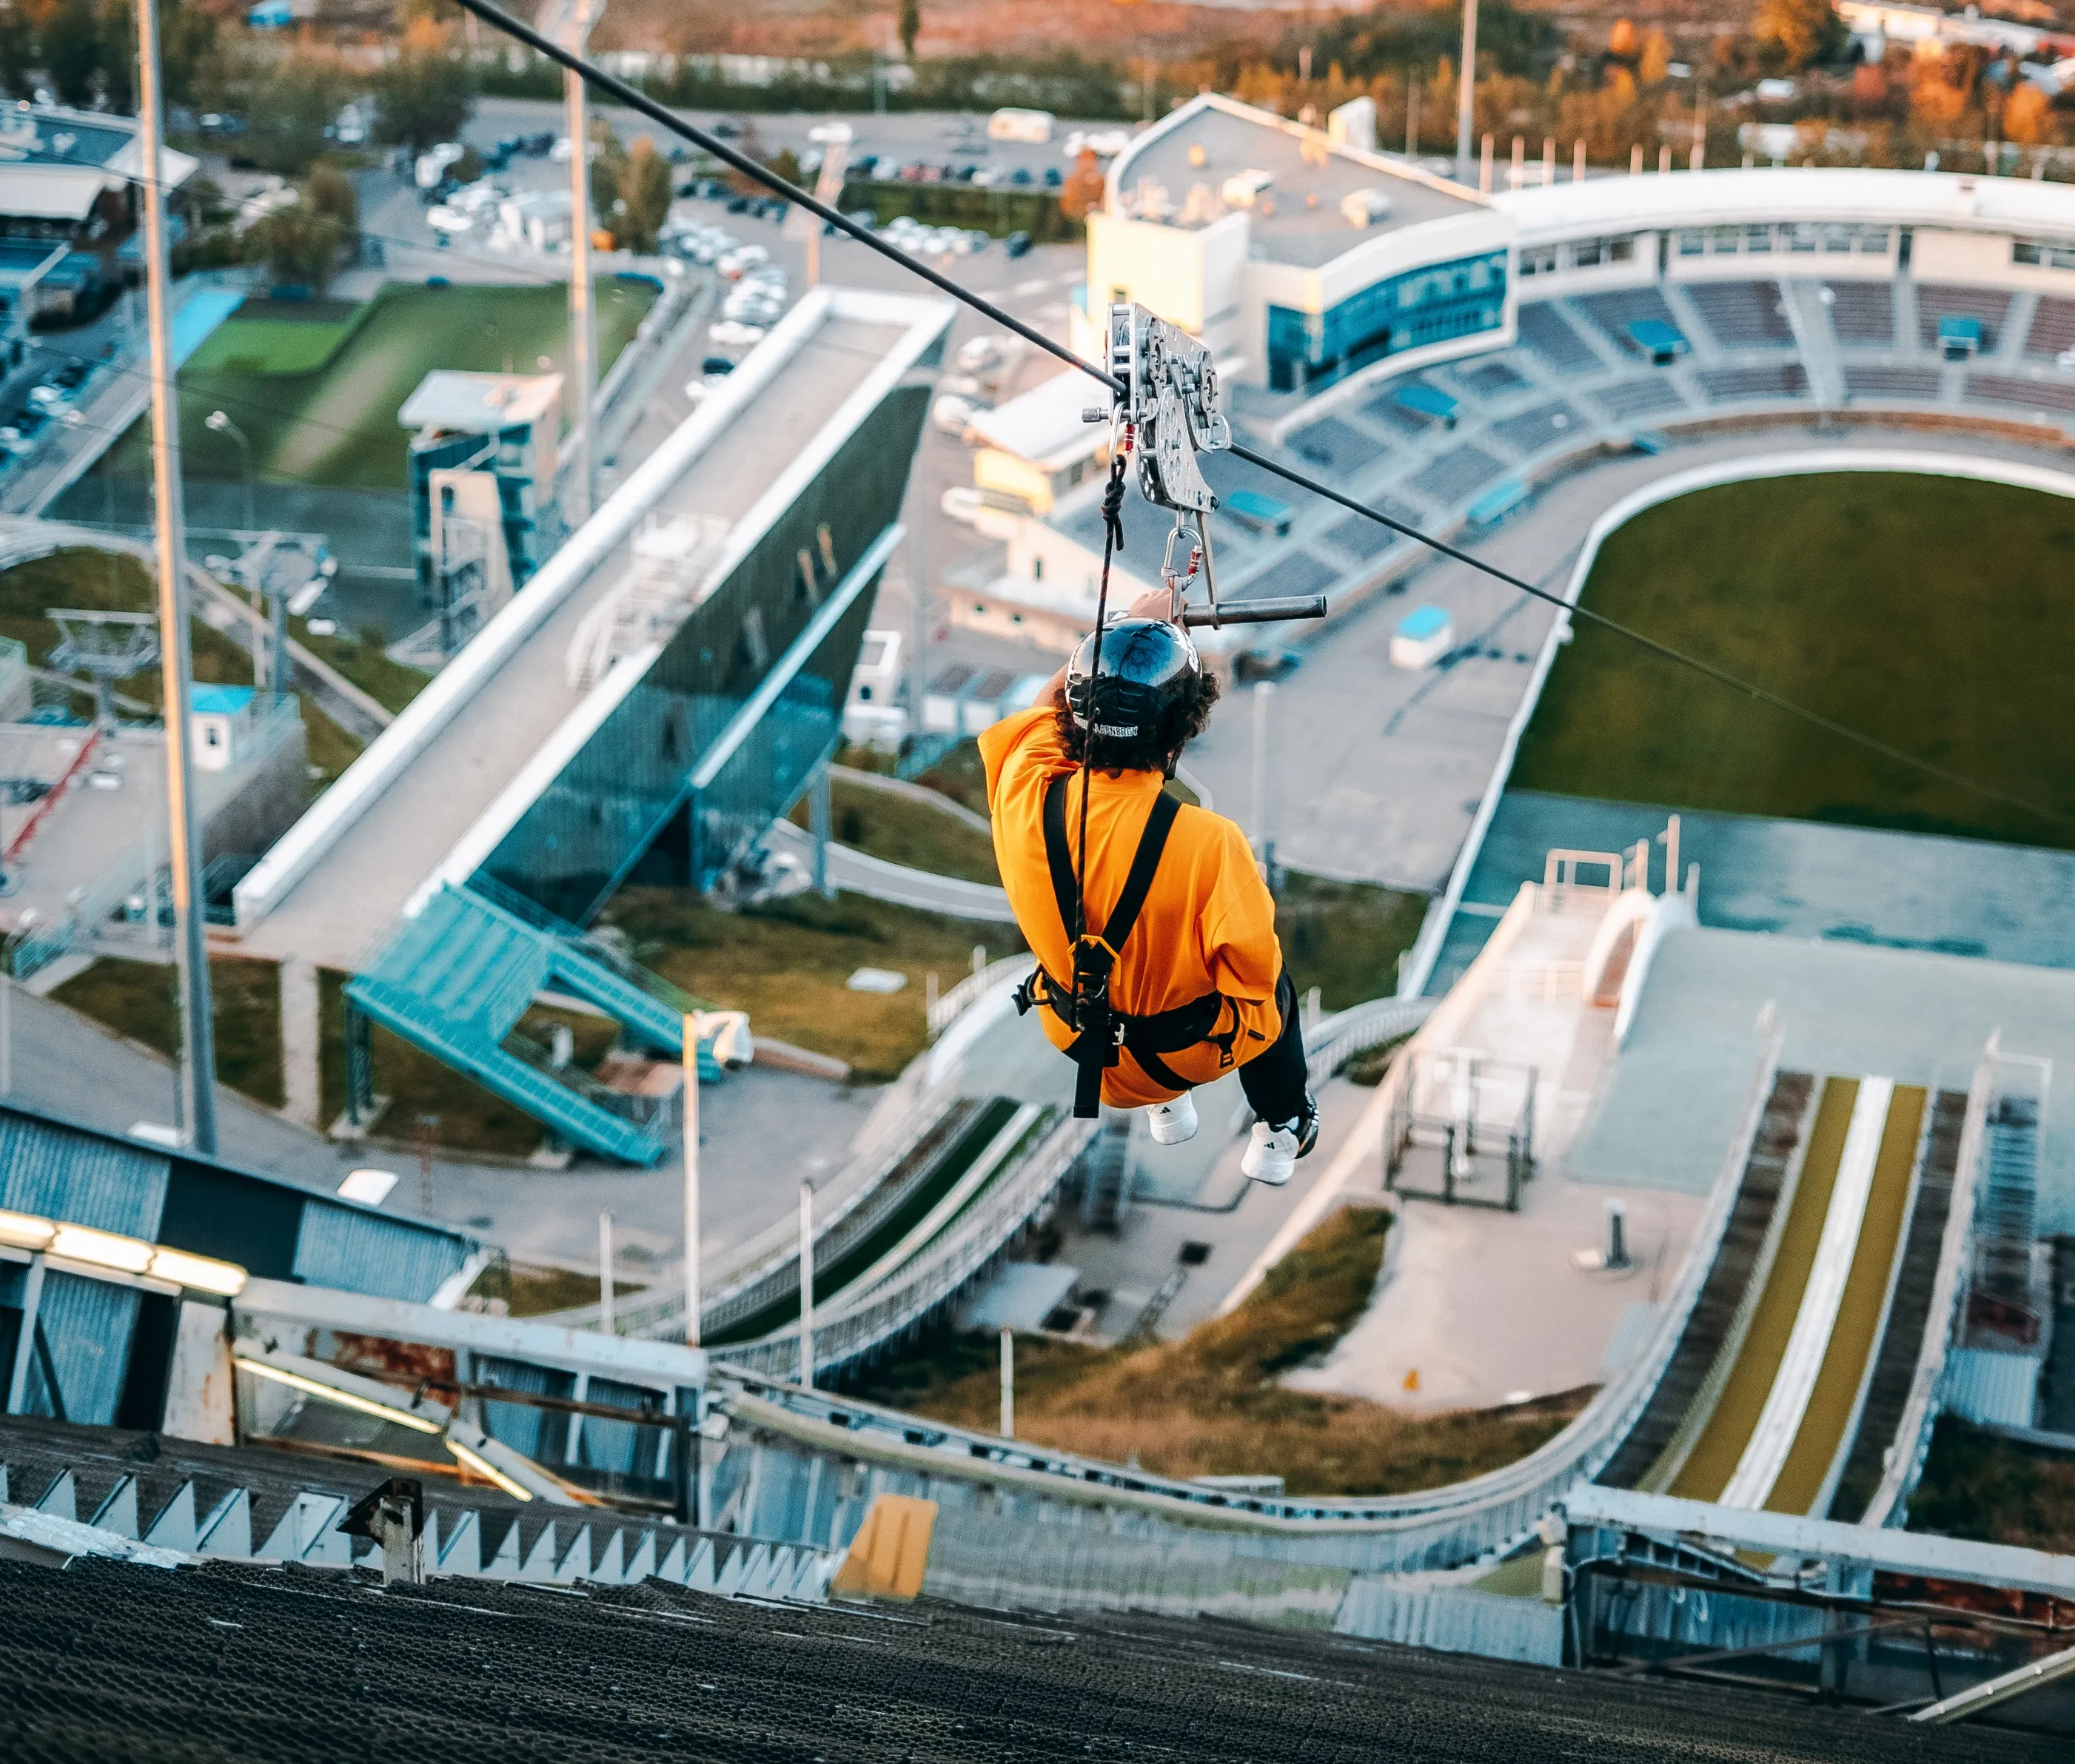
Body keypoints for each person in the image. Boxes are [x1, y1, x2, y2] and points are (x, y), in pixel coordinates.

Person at [976, 589, 1318, 1184]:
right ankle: (1282, 1123)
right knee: (1272, 986)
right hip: (1175, 1055)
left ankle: (1165, 1107)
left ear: (1070, 717)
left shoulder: (1024, 788)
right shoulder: (1208, 842)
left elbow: (1043, 704)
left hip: (1077, 1037)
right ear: (1179, 734)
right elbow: (1252, 975)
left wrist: (1126, 625)